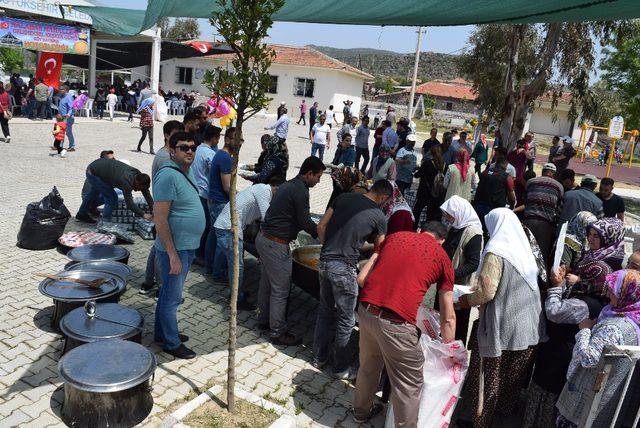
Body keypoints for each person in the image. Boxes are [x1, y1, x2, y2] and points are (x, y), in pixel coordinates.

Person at [353, 221, 455, 426]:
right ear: (441, 241)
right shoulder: (442, 258)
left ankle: (360, 413)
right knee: (408, 386)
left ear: (420, 231)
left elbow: (362, 279)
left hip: (366, 311)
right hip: (396, 326)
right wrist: (448, 352)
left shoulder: (394, 237)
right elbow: (448, 317)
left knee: (368, 366)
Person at [456, 208, 544, 428]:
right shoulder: (523, 250)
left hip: (502, 328)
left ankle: (479, 421)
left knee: (486, 376)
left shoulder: (497, 251)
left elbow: (486, 293)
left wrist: (464, 301)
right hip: (529, 328)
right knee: (511, 377)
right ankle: (503, 415)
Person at [313, 179, 391, 379]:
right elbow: (380, 250)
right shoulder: (379, 215)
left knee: (324, 311)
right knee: (346, 320)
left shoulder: (343, 197)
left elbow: (321, 226)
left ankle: (319, 357)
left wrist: (328, 250)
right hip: (345, 269)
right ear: (383, 197)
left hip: (324, 262)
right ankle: (340, 369)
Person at [523, 262, 611, 428]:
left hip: (557, 355)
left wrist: (556, 286)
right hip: (566, 354)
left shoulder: (582, 304)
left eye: (584, 276)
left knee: (545, 394)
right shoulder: (600, 301)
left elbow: (554, 311)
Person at [556, 269, 640, 428]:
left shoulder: (613, 327)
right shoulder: (634, 319)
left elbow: (588, 359)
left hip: (584, 400)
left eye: (615, 289)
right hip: (607, 400)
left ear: (627, 293)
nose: (609, 292)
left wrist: (584, 330)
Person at [257, 156, 324, 346]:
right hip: (275, 243)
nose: (318, 182)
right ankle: (277, 332)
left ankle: (263, 321)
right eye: (318, 177)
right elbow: (304, 221)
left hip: (264, 238)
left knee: (267, 283)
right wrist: (321, 234)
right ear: (309, 173)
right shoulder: (300, 190)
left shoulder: (288, 185)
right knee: (280, 289)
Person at [153, 131, 205, 360]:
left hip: (186, 245)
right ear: (171, 150)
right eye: (184, 147)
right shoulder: (167, 176)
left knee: (167, 293)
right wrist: (172, 254)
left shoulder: (186, 171)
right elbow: (160, 218)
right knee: (172, 298)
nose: (190, 151)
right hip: (175, 249)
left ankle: (161, 333)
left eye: (192, 147)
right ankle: (171, 343)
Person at [215, 178, 282, 312]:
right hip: (229, 228)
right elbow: (267, 218)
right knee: (237, 267)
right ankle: (236, 300)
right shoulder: (265, 190)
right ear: (277, 188)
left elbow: (259, 220)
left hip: (227, 226)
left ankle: (233, 293)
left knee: (234, 265)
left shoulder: (262, 190)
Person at [440, 196, 483, 345]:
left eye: (449, 214)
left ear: (459, 213)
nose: (446, 217)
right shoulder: (456, 227)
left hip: (459, 287)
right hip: (446, 282)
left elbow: (473, 263)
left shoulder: (473, 233)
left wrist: (451, 274)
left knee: (457, 325)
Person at [206, 128, 243, 278]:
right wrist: (240, 197)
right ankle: (218, 273)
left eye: (241, 140)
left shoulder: (221, 155)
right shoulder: (225, 158)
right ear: (227, 140)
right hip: (220, 203)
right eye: (237, 139)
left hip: (215, 200)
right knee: (223, 239)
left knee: (213, 235)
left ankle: (210, 268)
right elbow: (227, 187)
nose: (239, 143)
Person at [75, 158, 153, 224]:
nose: (139, 190)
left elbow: (146, 193)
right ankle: (105, 224)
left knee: (94, 192)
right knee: (111, 198)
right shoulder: (126, 182)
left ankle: (81, 214)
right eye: (140, 189)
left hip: (99, 169)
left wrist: (153, 210)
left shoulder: (138, 175)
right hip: (93, 173)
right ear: (137, 183)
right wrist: (143, 215)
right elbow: (129, 204)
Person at [520, 162, 564, 267]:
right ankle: (540, 280)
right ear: (553, 174)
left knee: (525, 250)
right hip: (546, 224)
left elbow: (525, 201)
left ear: (543, 171)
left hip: (528, 220)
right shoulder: (559, 187)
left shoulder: (530, 182)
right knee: (542, 253)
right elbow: (559, 209)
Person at [191, 125, 221, 265]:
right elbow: (216, 175)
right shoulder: (209, 154)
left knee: (203, 225)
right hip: (203, 193)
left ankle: (198, 253)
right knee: (207, 226)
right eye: (218, 138)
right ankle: (199, 254)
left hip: (196, 190)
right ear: (214, 138)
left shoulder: (197, 149)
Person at [413, 145, 446, 225]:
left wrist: (414, 172)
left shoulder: (427, 163)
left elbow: (418, 175)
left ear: (431, 153)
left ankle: (414, 227)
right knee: (430, 214)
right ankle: (427, 230)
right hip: (436, 193)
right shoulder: (444, 165)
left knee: (417, 211)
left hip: (424, 191)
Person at [57, 86, 75, 151]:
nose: (60, 90)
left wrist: (68, 114)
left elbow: (71, 107)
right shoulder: (62, 96)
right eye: (60, 89)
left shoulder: (69, 97)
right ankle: (59, 146)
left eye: (61, 89)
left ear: (66, 89)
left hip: (67, 117)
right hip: (62, 117)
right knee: (60, 132)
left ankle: (72, 146)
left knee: (68, 132)